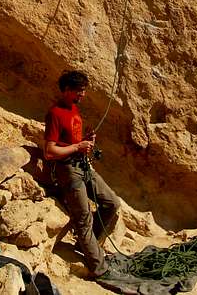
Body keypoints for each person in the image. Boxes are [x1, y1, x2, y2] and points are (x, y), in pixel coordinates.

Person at [44, 70, 120, 279]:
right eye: (79, 91)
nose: (83, 95)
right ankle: (99, 268)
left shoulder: (74, 109)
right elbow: (50, 151)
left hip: (82, 165)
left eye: (84, 91)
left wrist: (87, 141)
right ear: (67, 90)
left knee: (112, 203)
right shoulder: (55, 113)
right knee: (83, 218)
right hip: (68, 170)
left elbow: (72, 143)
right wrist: (78, 146)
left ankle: (87, 245)